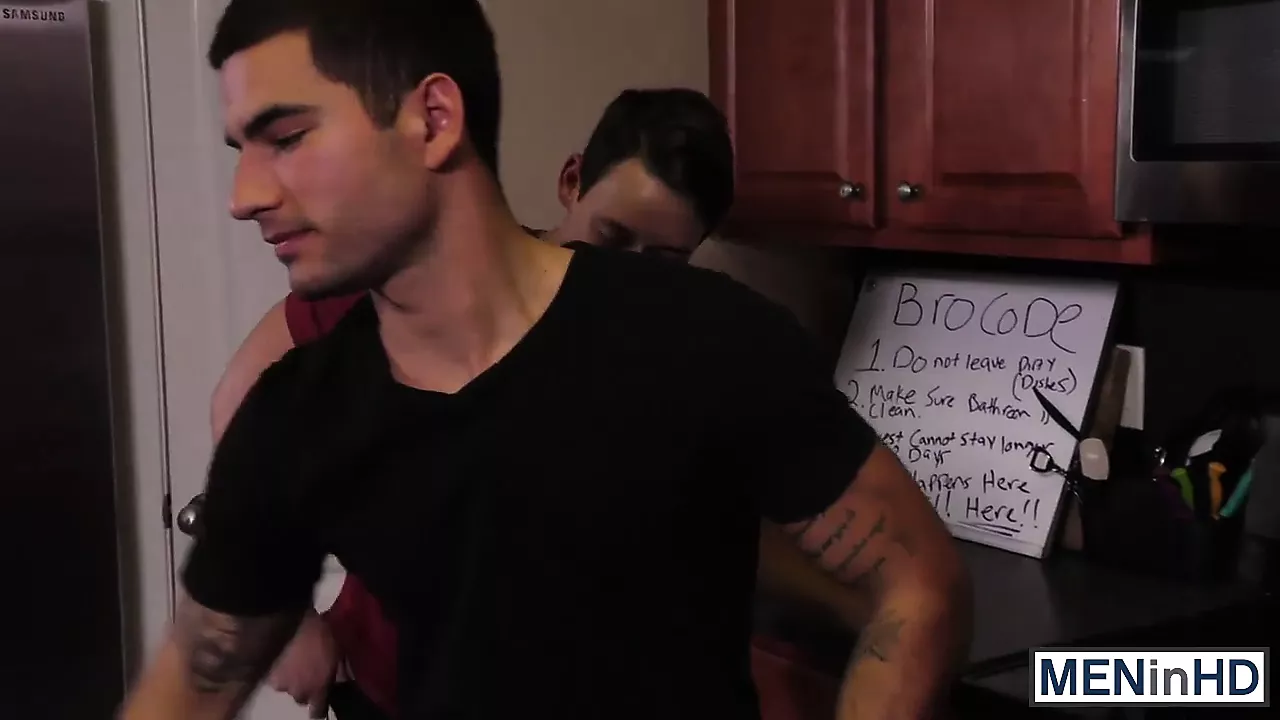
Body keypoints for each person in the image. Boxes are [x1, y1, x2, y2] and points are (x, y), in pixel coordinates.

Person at [123, 1, 972, 719]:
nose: (245, 197)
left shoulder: (709, 339)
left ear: (433, 119)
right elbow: (187, 686)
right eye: (242, 150)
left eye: (288, 137)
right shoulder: (296, 417)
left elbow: (918, 586)